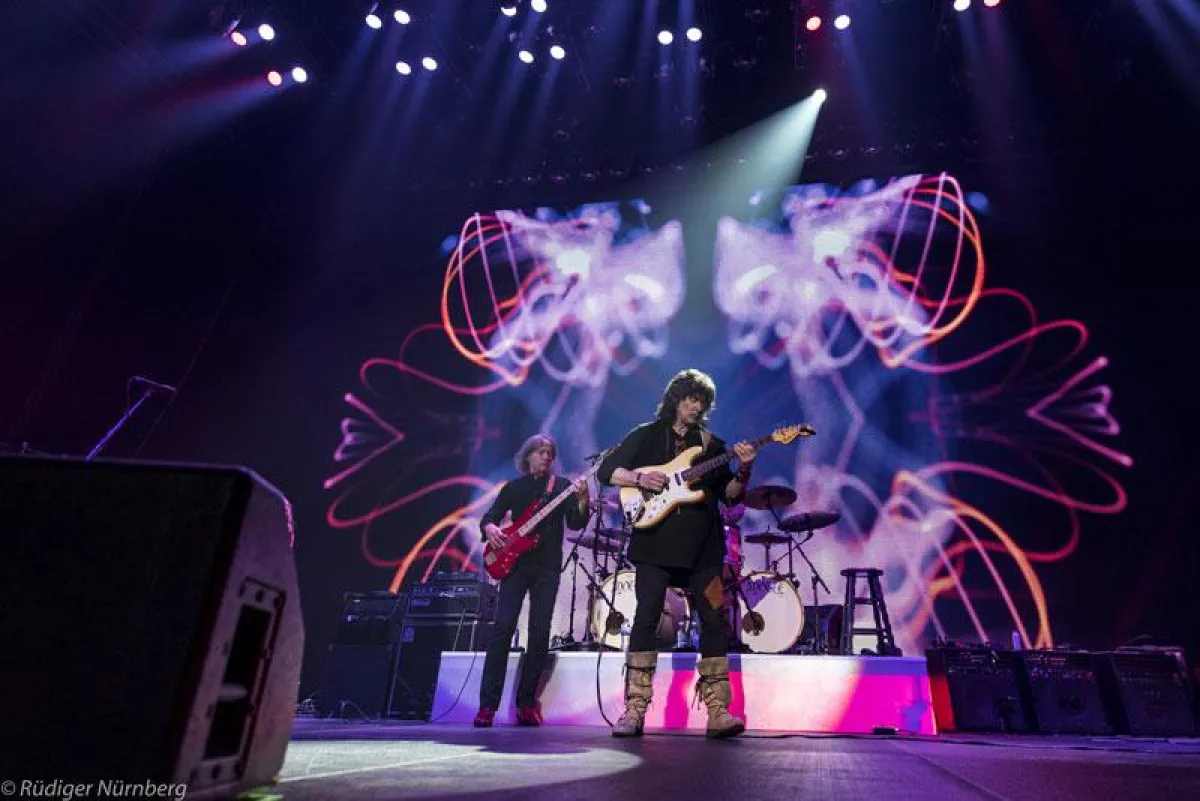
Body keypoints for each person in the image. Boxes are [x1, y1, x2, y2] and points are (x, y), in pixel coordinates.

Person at [598, 368, 757, 738]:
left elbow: (730, 495)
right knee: (646, 619)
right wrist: (639, 478)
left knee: (714, 620)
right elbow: (606, 471)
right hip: (654, 545)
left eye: (701, 401)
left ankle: (718, 711)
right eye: (689, 399)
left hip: (704, 550)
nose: (695, 406)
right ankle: (635, 709)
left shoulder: (713, 445)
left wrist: (745, 469)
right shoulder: (646, 435)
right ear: (675, 399)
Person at [474, 433, 590, 727]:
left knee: (539, 633)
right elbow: (490, 516)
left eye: (550, 453)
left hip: (547, 568)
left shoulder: (561, 486)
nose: (546, 457)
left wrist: (583, 498)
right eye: (540, 452)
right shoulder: (513, 488)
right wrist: (490, 527)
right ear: (527, 456)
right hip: (515, 567)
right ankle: (487, 706)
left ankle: (526, 703)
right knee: (502, 629)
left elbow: (576, 523)